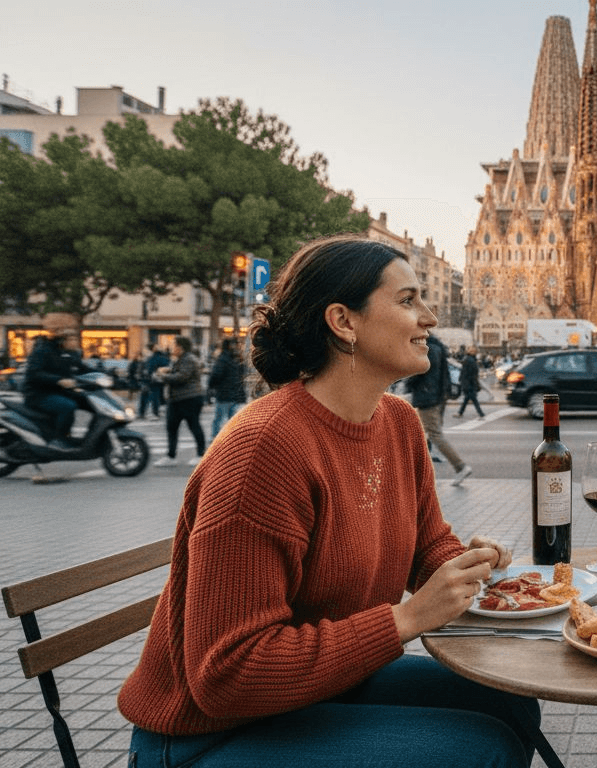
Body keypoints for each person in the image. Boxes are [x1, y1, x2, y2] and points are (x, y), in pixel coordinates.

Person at [118, 235, 538, 768]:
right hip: (210, 733)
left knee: (511, 699)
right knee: (484, 749)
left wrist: (469, 566)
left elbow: (425, 546)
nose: (429, 317)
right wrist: (406, 620)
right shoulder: (264, 449)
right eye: (407, 301)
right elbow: (227, 675)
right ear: (344, 322)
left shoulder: (399, 423)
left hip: (321, 691)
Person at [20, 313, 92, 450]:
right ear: (61, 340)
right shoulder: (42, 351)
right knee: (67, 406)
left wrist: (109, 375)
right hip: (38, 395)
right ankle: (59, 440)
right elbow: (34, 374)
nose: (75, 342)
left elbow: (84, 369)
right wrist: (59, 380)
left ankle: (90, 439)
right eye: (71, 338)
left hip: (59, 392)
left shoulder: (70, 354)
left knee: (88, 400)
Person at [411, 334, 472, 486]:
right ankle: (418, 472)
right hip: (436, 396)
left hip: (428, 396)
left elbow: (420, 371)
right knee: (423, 433)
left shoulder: (428, 349)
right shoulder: (437, 348)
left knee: (434, 434)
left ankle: (460, 466)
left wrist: (408, 381)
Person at [152, 336, 207, 468]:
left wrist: (162, 377)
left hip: (189, 399)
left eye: (174, 345)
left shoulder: (188, 359)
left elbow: (182, 376)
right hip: (178, 399)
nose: (172, 348)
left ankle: (201, 455)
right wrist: (168, 370)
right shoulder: (183, 359)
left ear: (180, 347)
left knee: (193, 425)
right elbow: (180, 372)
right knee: (172, 427)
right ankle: (171, 456)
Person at [208, 338, 248, 442]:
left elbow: (216, 375)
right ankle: (232, 440)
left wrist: (211, 385)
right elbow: (243, 374)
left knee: (219, 418)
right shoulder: (238, 358)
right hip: (235, 394)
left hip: (224, 394)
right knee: (232, 420)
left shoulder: (222, 359)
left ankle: (215, 439)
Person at [139, 345, 169, 419]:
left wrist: (144, 378)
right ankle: (155, 412)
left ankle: (142, 412)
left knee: (145, 396)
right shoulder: (165, 358)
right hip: (159, 380)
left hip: (149, 380)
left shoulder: (150, 358)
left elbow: (148, 369)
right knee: (156, 397)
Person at [455, 345, 485, 419]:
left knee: (472, 399)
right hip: (470, 383)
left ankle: (481, 415)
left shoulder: (468, 360)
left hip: (468, 383)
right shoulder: (471, 360)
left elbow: (464, 373)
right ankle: (460, 413)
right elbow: (473, 374)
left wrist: (462, 382)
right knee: (469, 399)